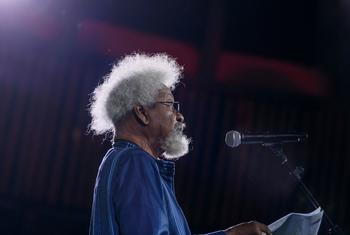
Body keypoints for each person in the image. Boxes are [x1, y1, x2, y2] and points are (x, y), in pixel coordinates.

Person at [88, 53, 272, 235]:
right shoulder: (137, 162)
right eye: (169, 104)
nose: (180, 116)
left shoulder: (118, 160)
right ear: (142, 112)